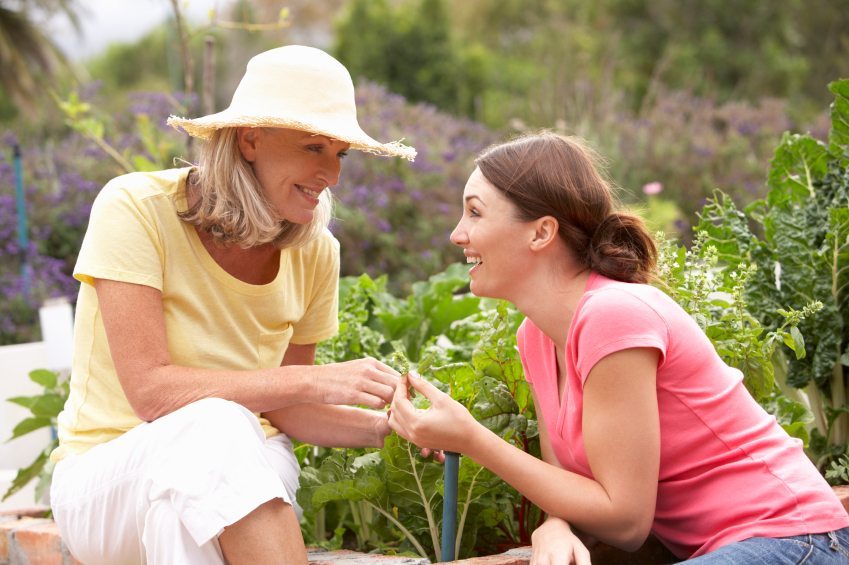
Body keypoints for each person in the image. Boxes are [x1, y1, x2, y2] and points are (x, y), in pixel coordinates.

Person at [388, 132, 849, 564]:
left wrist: (470, 438)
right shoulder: (536, 337)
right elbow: (578, 485)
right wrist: (556, 524)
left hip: (795, 538)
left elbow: (626, 522)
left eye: (474, 212)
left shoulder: (614, 314)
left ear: (541, 232)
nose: (456, 234)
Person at [49, 45, 417, 565]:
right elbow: (152, 394)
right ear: (249, 140)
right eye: (314, 147)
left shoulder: (316, 251)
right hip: (109, 476)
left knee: (181, 516)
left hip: (248, 467)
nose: (332, 175)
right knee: (216, 426)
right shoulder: (134, 209)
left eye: (341, 154)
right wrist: (314, 379)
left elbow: (288, 412)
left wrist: (390, 427)